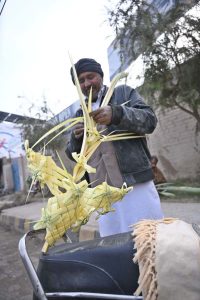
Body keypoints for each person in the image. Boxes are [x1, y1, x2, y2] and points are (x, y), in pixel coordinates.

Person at [66, 58, 163, 237]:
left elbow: (150, 120)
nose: (87, 83)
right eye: (81, 81)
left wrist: (117, 114)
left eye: (90, 77)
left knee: (149, 240)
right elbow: (73, 155)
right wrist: (76, 139)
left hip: (135, 186)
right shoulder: (79, 114)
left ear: (100, 76)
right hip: (103, 194)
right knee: (114, 246)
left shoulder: (123, 94)